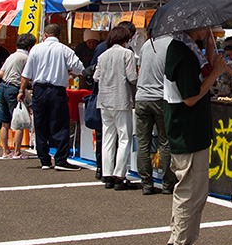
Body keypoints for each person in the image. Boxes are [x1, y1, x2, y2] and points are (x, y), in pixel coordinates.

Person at [164, 26, 228, 245]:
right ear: (193, 25)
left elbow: (201, 77)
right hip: (189, 131)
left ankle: (177, 240)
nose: (209, 27)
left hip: (188, 130)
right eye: (205, 24)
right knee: (192, 192)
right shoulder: (183, 53)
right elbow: (190, 97)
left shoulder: (185, 49)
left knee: (188, 190)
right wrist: (217, 72)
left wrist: (211, 51)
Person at [18, 23, 85, 171]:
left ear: (45, 35)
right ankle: (61, 159)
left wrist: (21, 90)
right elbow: (79, 68)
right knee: (60, 124)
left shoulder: (36, 49)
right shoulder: (64, 49)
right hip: (57, 90)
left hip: (39, 89)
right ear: (58, 35)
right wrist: (68, 70)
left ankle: (45, 160)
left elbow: (26, 74)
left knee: (40, 124)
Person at [94, 25, 138, 190]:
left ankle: (107, 174)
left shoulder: (103, 55)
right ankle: (120, 175)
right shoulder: (127, 54)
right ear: (125, 39)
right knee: (124, 138)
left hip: (104, 99)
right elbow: (132, 78)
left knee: (108, 138)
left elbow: (96, 77)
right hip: (121, 99)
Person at [135, 34, 174, 194]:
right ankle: (167, 184)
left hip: (142, 97)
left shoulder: (146, 44)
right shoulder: (171, 44)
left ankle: (146, 183)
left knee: (143, 143)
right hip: (161, 97)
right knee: (165, 142)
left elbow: (139, 69)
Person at [0, 33, 36, 159]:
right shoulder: (26, 58)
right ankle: (17, 151)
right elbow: (29, 76)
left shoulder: (11, 56)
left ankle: (5, 151)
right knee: (19, 119)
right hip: (14, 88)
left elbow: (1, 73)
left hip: (3, 87)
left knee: (5, 121)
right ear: (30, 47)